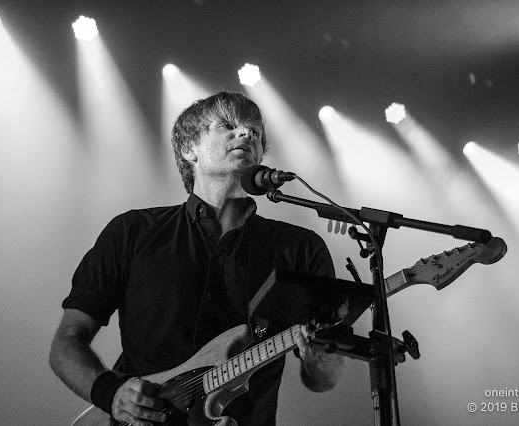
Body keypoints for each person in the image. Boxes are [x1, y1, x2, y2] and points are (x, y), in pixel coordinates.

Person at [49, 91, 346, 425]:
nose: (247, 134)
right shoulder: (132, 232)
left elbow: (324, 380)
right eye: (228, 125)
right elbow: (66, 343)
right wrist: (111, 394)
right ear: (189, 148)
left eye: (257, 132)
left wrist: (320, 359)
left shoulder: (300, 248)